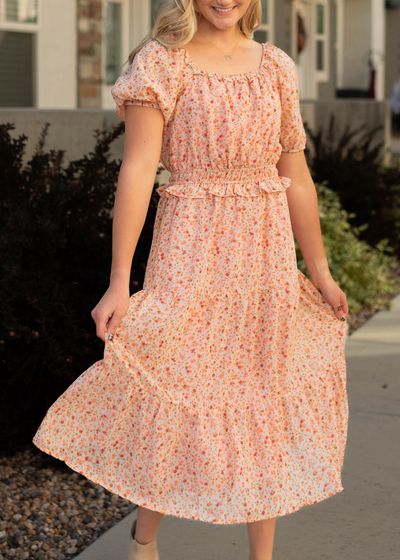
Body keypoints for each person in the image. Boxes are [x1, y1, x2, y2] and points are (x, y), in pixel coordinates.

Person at [32, 1, 350, 559]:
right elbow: (137, 169)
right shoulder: (161, 63)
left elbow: (295, 174)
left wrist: (318, 270)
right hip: (190, 249)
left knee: (261, 391)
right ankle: (144, 542)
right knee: (182, 388)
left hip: (263, 256)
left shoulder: (276, 65)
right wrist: (119, 281)